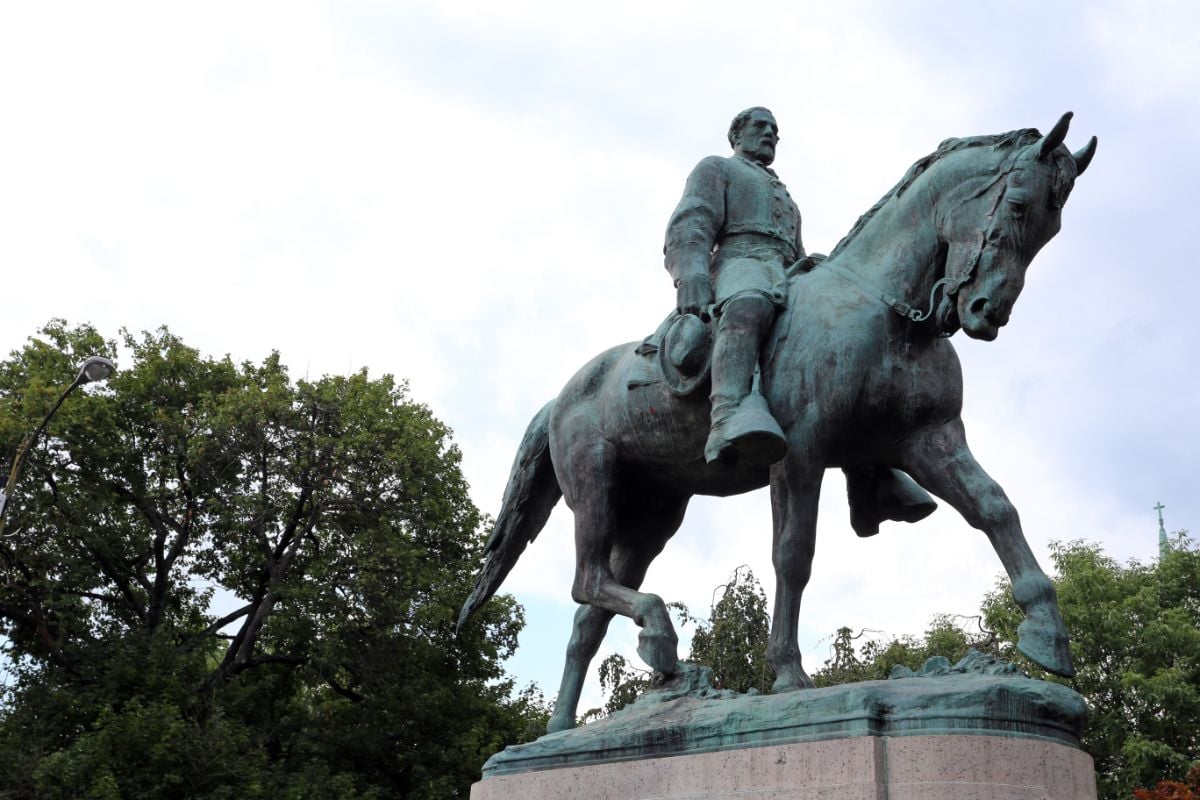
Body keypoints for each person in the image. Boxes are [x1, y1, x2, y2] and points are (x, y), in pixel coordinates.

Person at [664, 107, 803, 465]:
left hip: (785, 269)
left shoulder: (785, 196)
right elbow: (691, 221)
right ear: (736, 136)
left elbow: (795, 249)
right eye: (761, 126)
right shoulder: (718, 168)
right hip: (738, 263)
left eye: (775, 128)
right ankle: (725, 417)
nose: (771, 132)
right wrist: (691, 273)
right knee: (749, 305)